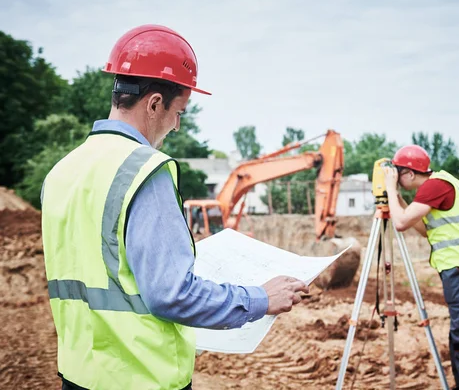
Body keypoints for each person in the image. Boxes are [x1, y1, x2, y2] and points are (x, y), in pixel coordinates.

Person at [41, 24, 308, 390]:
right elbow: (173, 295)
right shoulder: (142, 171)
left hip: (78, 374)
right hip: (140, 378)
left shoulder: (61, 172)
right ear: (154, 103)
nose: (178, 126)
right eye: (179, 112)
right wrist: (261, 298)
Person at [383, 145, 459, 390]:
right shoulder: (438, 184)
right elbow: (423, 229)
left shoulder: (435, 186)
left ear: (410, 173)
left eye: (398, 173)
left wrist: (390, 190)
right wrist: (398, 198)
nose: (396, 178)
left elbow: (400, 223)